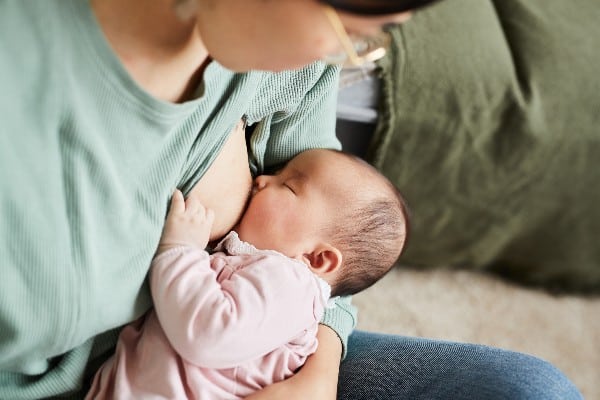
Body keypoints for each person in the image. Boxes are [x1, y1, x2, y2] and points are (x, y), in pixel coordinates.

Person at [0, 0, 582, 399]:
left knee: (526, 390)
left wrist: (319, 371)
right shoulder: (26, 95)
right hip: (94, 378)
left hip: (220, 367)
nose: (347, 54)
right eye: (350, 30)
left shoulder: (288, 66)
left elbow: (339, 241)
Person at [86, 147, 409, 399]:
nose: (262, 179)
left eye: (289, 186)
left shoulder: (291, 284)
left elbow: (209, 336)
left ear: (317, 257)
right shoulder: (263, 272)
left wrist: (180, 249)